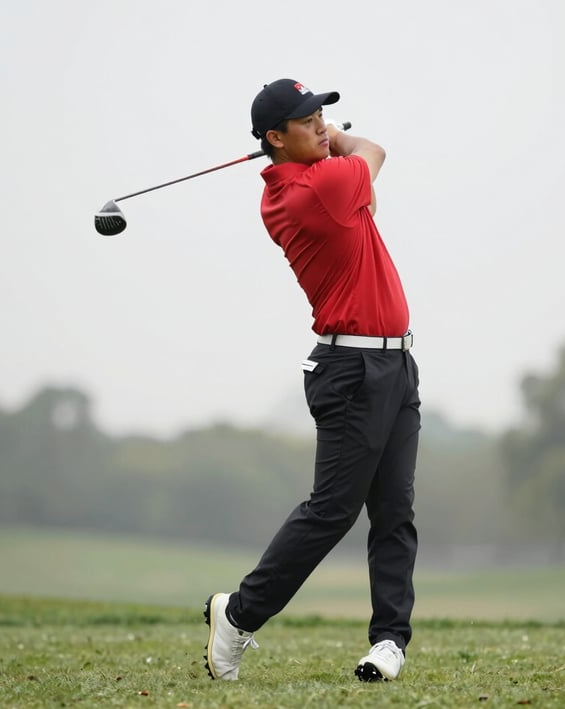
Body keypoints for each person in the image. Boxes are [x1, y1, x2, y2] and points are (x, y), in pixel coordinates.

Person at [204, 78, 421, 683]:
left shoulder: (304, 183)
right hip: (352, 370)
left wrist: (320, 139)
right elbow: (373, 152)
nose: (323, 125)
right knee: (332, 511)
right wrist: (342, 140)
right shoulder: (314, 191)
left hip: (394, 363)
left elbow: (363, 182)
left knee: (394, 510)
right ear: (275, 138)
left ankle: (388, 642)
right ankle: (239, 615)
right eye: (308, 120)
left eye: (324, 114)